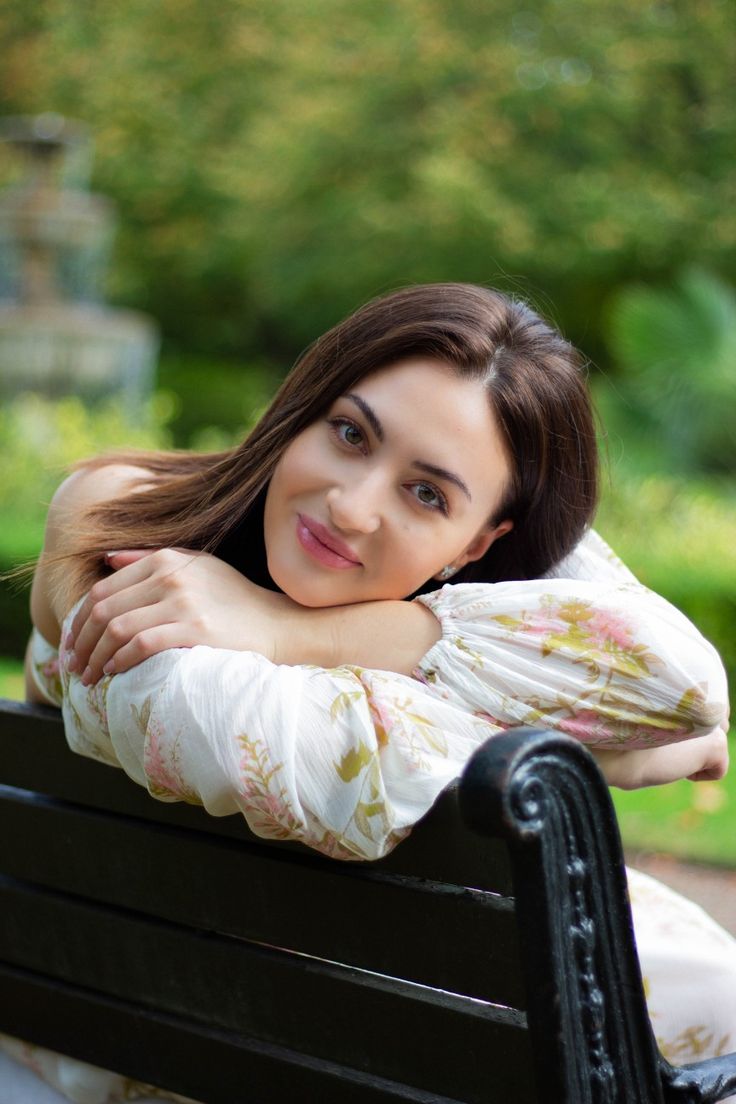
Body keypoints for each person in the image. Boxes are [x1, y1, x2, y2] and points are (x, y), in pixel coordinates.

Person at [4, 284, 732, 1102]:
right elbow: (687, 718)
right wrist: (604, 752)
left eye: (428, 494)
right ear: (301, 409)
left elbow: (688, 687)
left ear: (480, 544)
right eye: (349, 433)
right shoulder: (132, 555)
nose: (350, 507)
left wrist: (284, 625)